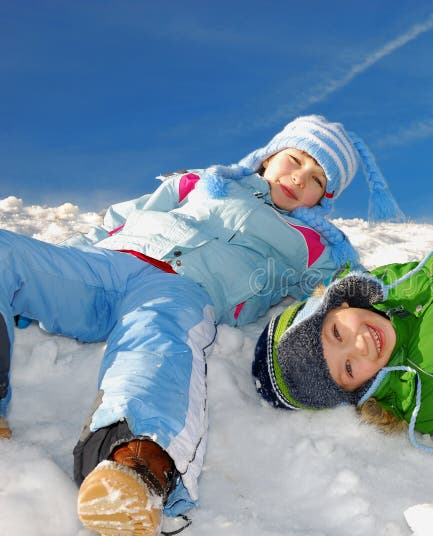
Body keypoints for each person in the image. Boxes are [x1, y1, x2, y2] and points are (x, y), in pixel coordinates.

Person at [0, 114, 404, 536]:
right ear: (269, 157)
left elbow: (348, 288)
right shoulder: (204, 182)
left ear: (324, 196)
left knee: (158, 349)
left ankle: (133, 469)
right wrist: (43, 277)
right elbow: (117, 219)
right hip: (110, 263)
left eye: (317, 179)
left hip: (183, 291)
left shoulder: (311, 243)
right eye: (295, 159)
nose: (300, 178)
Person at [252, 247, 433, 458]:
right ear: (357, 391)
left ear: (338, 305)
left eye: (337, 333)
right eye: (349, 368)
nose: (360, 345)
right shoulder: (426, 395)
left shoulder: (392, 284)